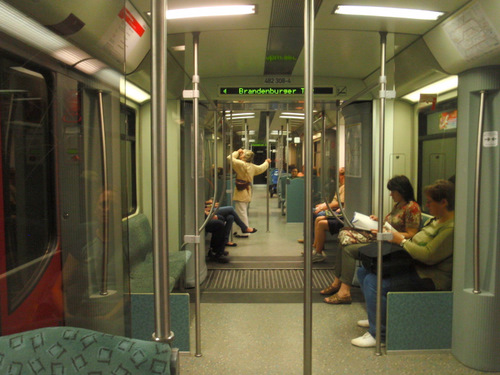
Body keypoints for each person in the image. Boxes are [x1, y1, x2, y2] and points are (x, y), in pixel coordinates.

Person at [352, 179, 455, 348]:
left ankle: (379, 335)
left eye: (430, 202)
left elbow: (428, 255)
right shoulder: (436, 220)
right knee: (364, 271)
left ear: (443, 202)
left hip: (430, 276)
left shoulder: (450, 228)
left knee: (373, 281)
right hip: (414, 264)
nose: (427, 206)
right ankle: (375, 317)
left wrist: (401, 242)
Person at [322, 175, 421, 303]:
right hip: (384, 236)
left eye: (393, 191)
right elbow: (392, 223)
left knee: (348, 249)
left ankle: (344, 292)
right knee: (343, 240)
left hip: (393, 244)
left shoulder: (412, 208)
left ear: (401, 191)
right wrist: (379, 221)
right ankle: (337, 282)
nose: (391, 195)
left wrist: (387, 233)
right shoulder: (399, 205)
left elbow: (411, 234)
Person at [298, 167, 345, 247]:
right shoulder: (340, 186)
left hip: (336, 211)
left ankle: (314, 241)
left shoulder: (345, 187)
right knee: (310, 211)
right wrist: (323, 205)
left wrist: (324, 207)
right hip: (332, 208)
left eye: (339, 174)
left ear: (343, 176)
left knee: (315, 214)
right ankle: (311, 239)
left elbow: (339, 203)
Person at [228, 148, 270, 237]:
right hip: (247, 191)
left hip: (241, 192)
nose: (241, 154)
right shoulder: (252, 166)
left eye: (242, 153)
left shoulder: (240, 164)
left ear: (244, 156)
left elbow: (229, 158)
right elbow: (261, 168)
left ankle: (245, 231)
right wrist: (267, 162)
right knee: (241, 211)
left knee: (241, 212)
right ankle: (237, 230)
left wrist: (237, 151)